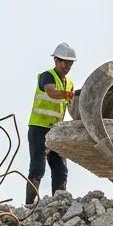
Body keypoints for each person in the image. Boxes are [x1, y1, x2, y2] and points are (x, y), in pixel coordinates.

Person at [26, 43, 77, 205]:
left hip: (56, 131)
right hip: (39, 128)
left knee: (61, 170)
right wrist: (69, 94)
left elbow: (70, 107)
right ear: (56, 60)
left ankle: (59, 204)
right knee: (37, 168)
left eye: (70, 63)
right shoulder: (47, 76)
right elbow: (51, 92)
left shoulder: (68, 83)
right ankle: (30, 205)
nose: (67, 66)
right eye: (64, 62)